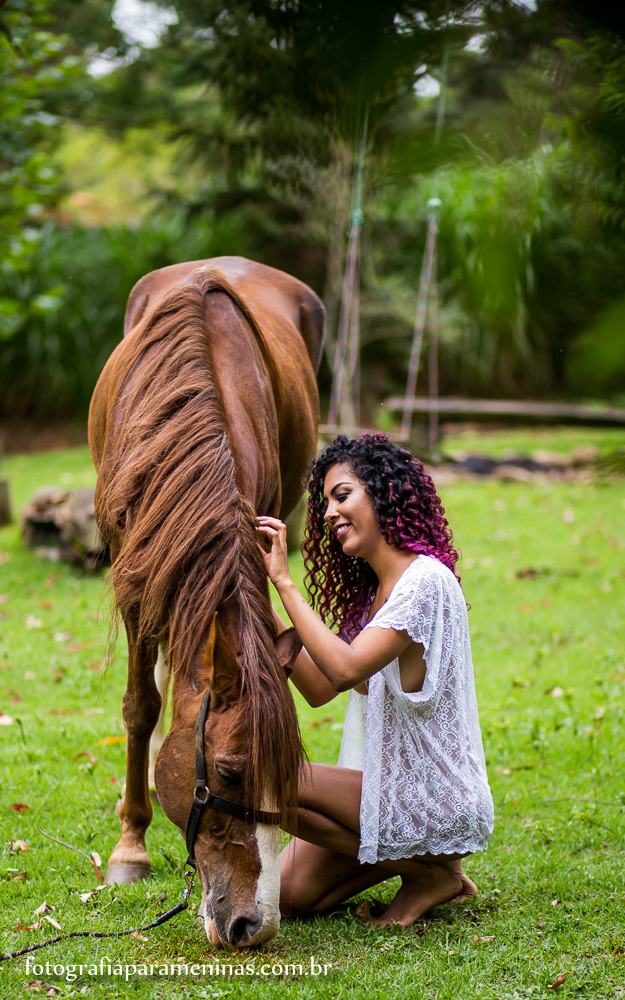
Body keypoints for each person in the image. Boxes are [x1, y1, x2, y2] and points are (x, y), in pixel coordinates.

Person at [256, 433, 494, 928]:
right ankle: (429, 868)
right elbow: (321, 689)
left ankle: (427, 875)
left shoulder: (425, 581)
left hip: (432, 795)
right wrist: (257, 592)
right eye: (324, 503)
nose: (328, 513)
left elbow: (343, 669)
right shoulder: (373, 597)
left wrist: (283, 582)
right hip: (391, 792)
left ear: (384, 492)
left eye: (341, 495)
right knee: (293, 896)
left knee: (266, 777)